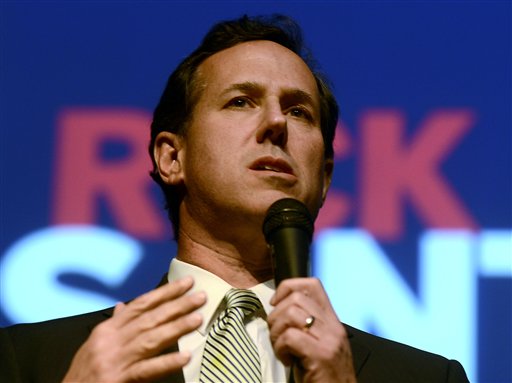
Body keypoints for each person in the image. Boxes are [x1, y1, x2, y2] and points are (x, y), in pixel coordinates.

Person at [0, 15, 469, 383]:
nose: (276, 124)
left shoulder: (426, 377)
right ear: (171, 158)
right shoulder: (32, 360)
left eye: (299, 111)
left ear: (324, 178)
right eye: (240, 101)